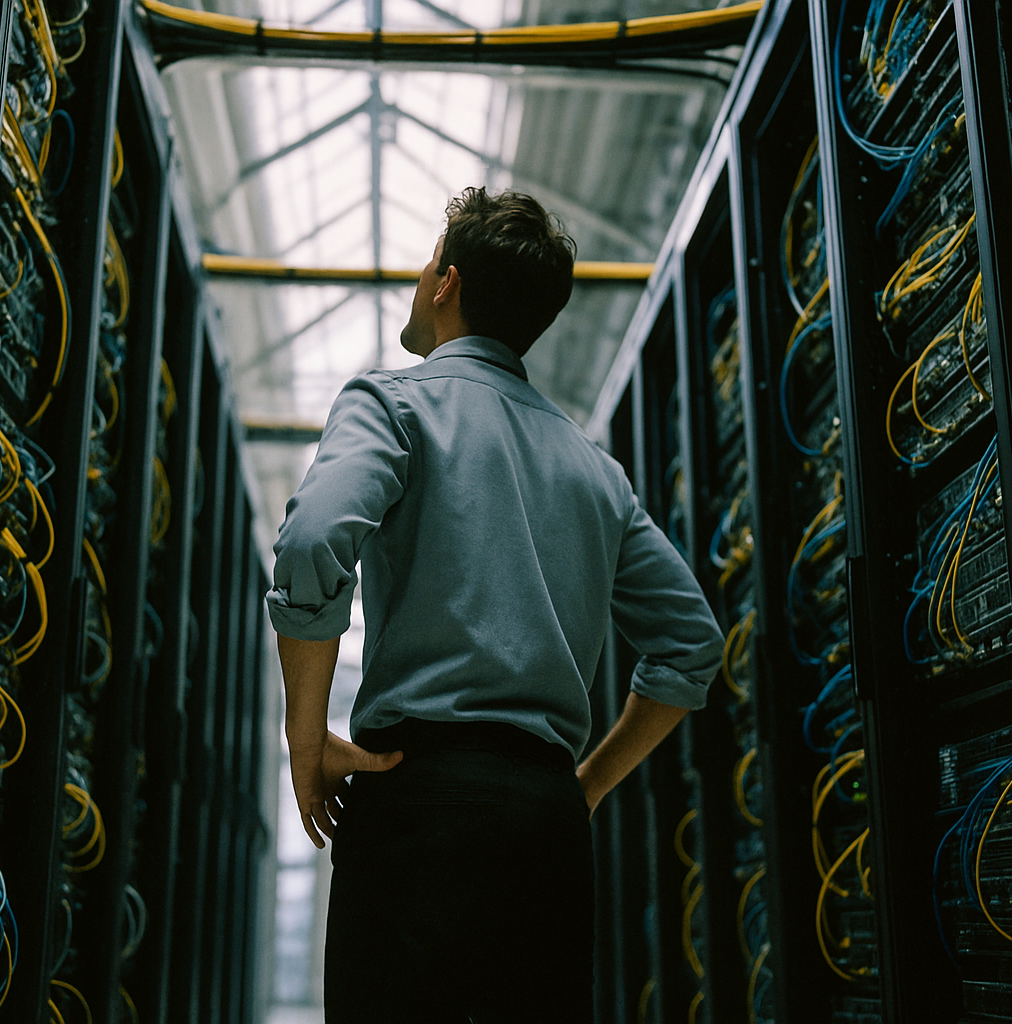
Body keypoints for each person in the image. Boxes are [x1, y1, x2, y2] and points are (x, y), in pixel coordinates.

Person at [267, 187, 724, 1023]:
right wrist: (582, 787)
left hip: (415, 802)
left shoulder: (394, 405)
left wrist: (305, 738)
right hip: (545, 825)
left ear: (446, 283)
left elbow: (311, 543)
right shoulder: (596, 472)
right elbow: (691, 645)